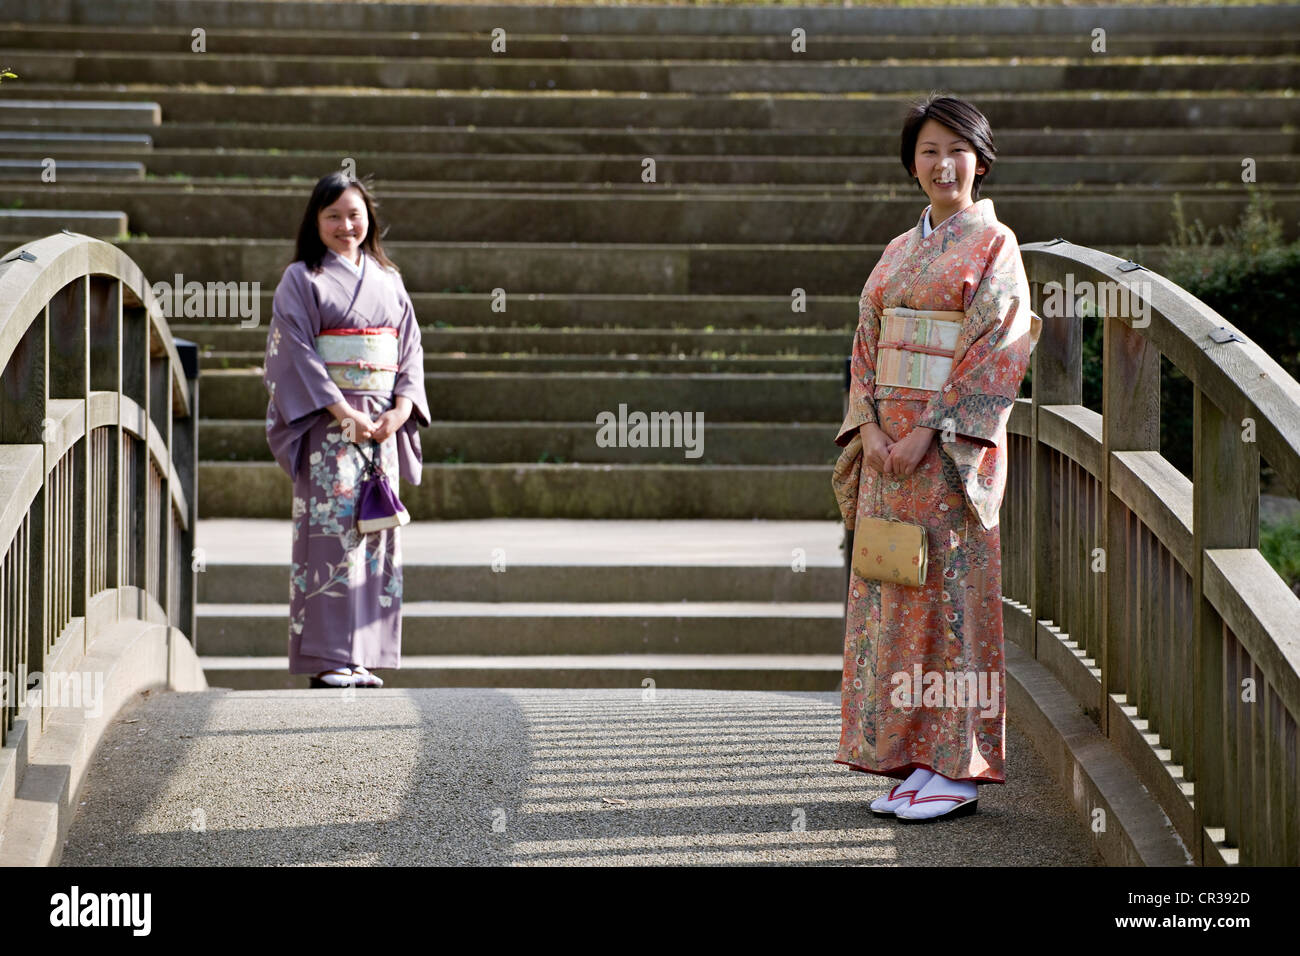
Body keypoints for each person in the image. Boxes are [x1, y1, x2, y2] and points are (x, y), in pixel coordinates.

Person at [832, 94, 1041, 821]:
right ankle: (914, 758)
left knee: (954, 605)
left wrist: (927, 430)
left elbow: (998, 351)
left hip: (948, 458)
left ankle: (960, 767)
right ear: (912, 164)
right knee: (896, 603)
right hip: (888, 458)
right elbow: (864, 349)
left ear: (980, 161)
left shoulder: (996, 245)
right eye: (927, 150)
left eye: (956, 149)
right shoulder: (897, 250)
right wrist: (869, 431)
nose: (941, 163)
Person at [262, 172, 431, 688]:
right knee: (332, 536)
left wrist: (402, 408)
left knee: (376, 533)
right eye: (332, 215)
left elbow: (411, 350)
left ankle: (363, 653)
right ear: (315, 222)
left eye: (354, 214)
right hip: (330, 425)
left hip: (380, 425)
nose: (345, 225)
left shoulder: (388, 280)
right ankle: (329, 657)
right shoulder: (302, 279)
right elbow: (295, 351)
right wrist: (342, 412)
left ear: (369, 220)